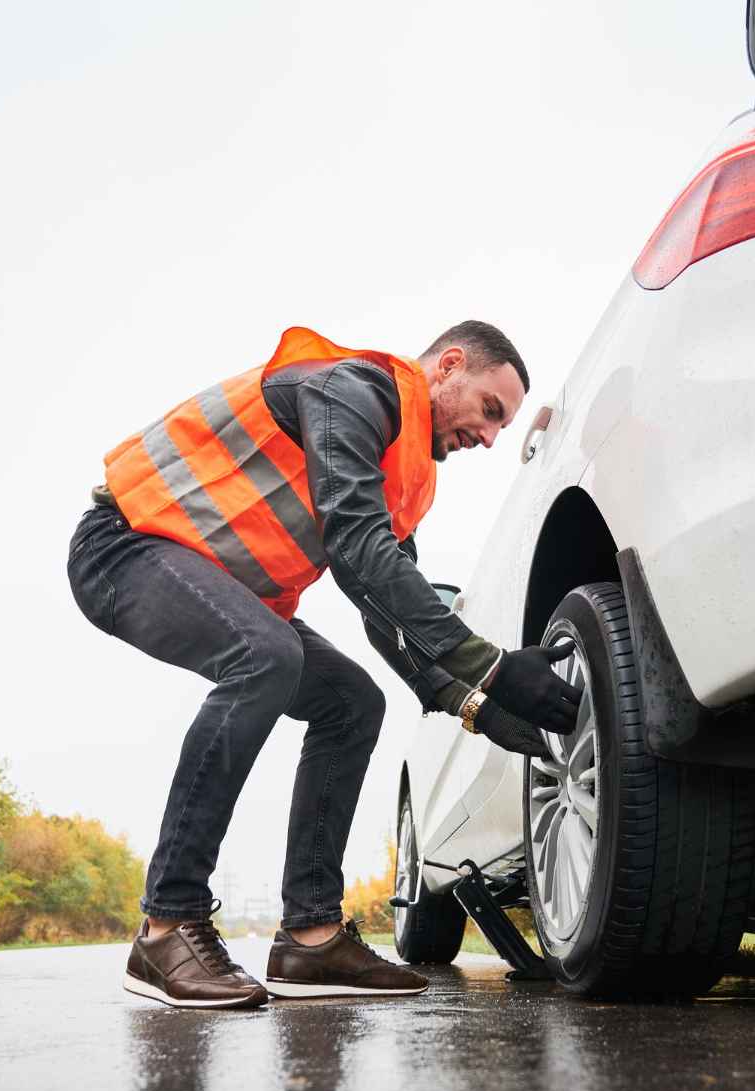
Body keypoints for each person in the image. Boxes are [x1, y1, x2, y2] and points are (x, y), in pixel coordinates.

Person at [67, 321, 581, 1008]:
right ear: (449, 365)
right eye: (490, 410)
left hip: (211, 580)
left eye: (500, 425)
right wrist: (493, 666)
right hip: (122, 544)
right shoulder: (353, 391)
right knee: (266, 655)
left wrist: (480, 706)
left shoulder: (403, 475)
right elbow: (357, 549)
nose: (489, 438)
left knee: (352, 701)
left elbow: (388, 613)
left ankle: (310, 940)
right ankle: (166, 925)